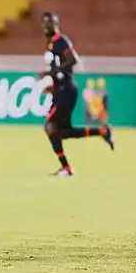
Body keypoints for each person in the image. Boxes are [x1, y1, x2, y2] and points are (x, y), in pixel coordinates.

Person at [39, 12, 114, 176]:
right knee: (63, 132)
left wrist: (51, 73)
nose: (46, 27)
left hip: (66, 90)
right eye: (44, 23)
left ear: (55, 24)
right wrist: (53, 85)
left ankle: (66, 168)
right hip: (61, 89)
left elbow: (72, 60)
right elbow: (61, 70)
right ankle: (101, 131)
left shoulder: (61, 41)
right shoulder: (52, 44)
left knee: (50, 126)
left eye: (48, 23)